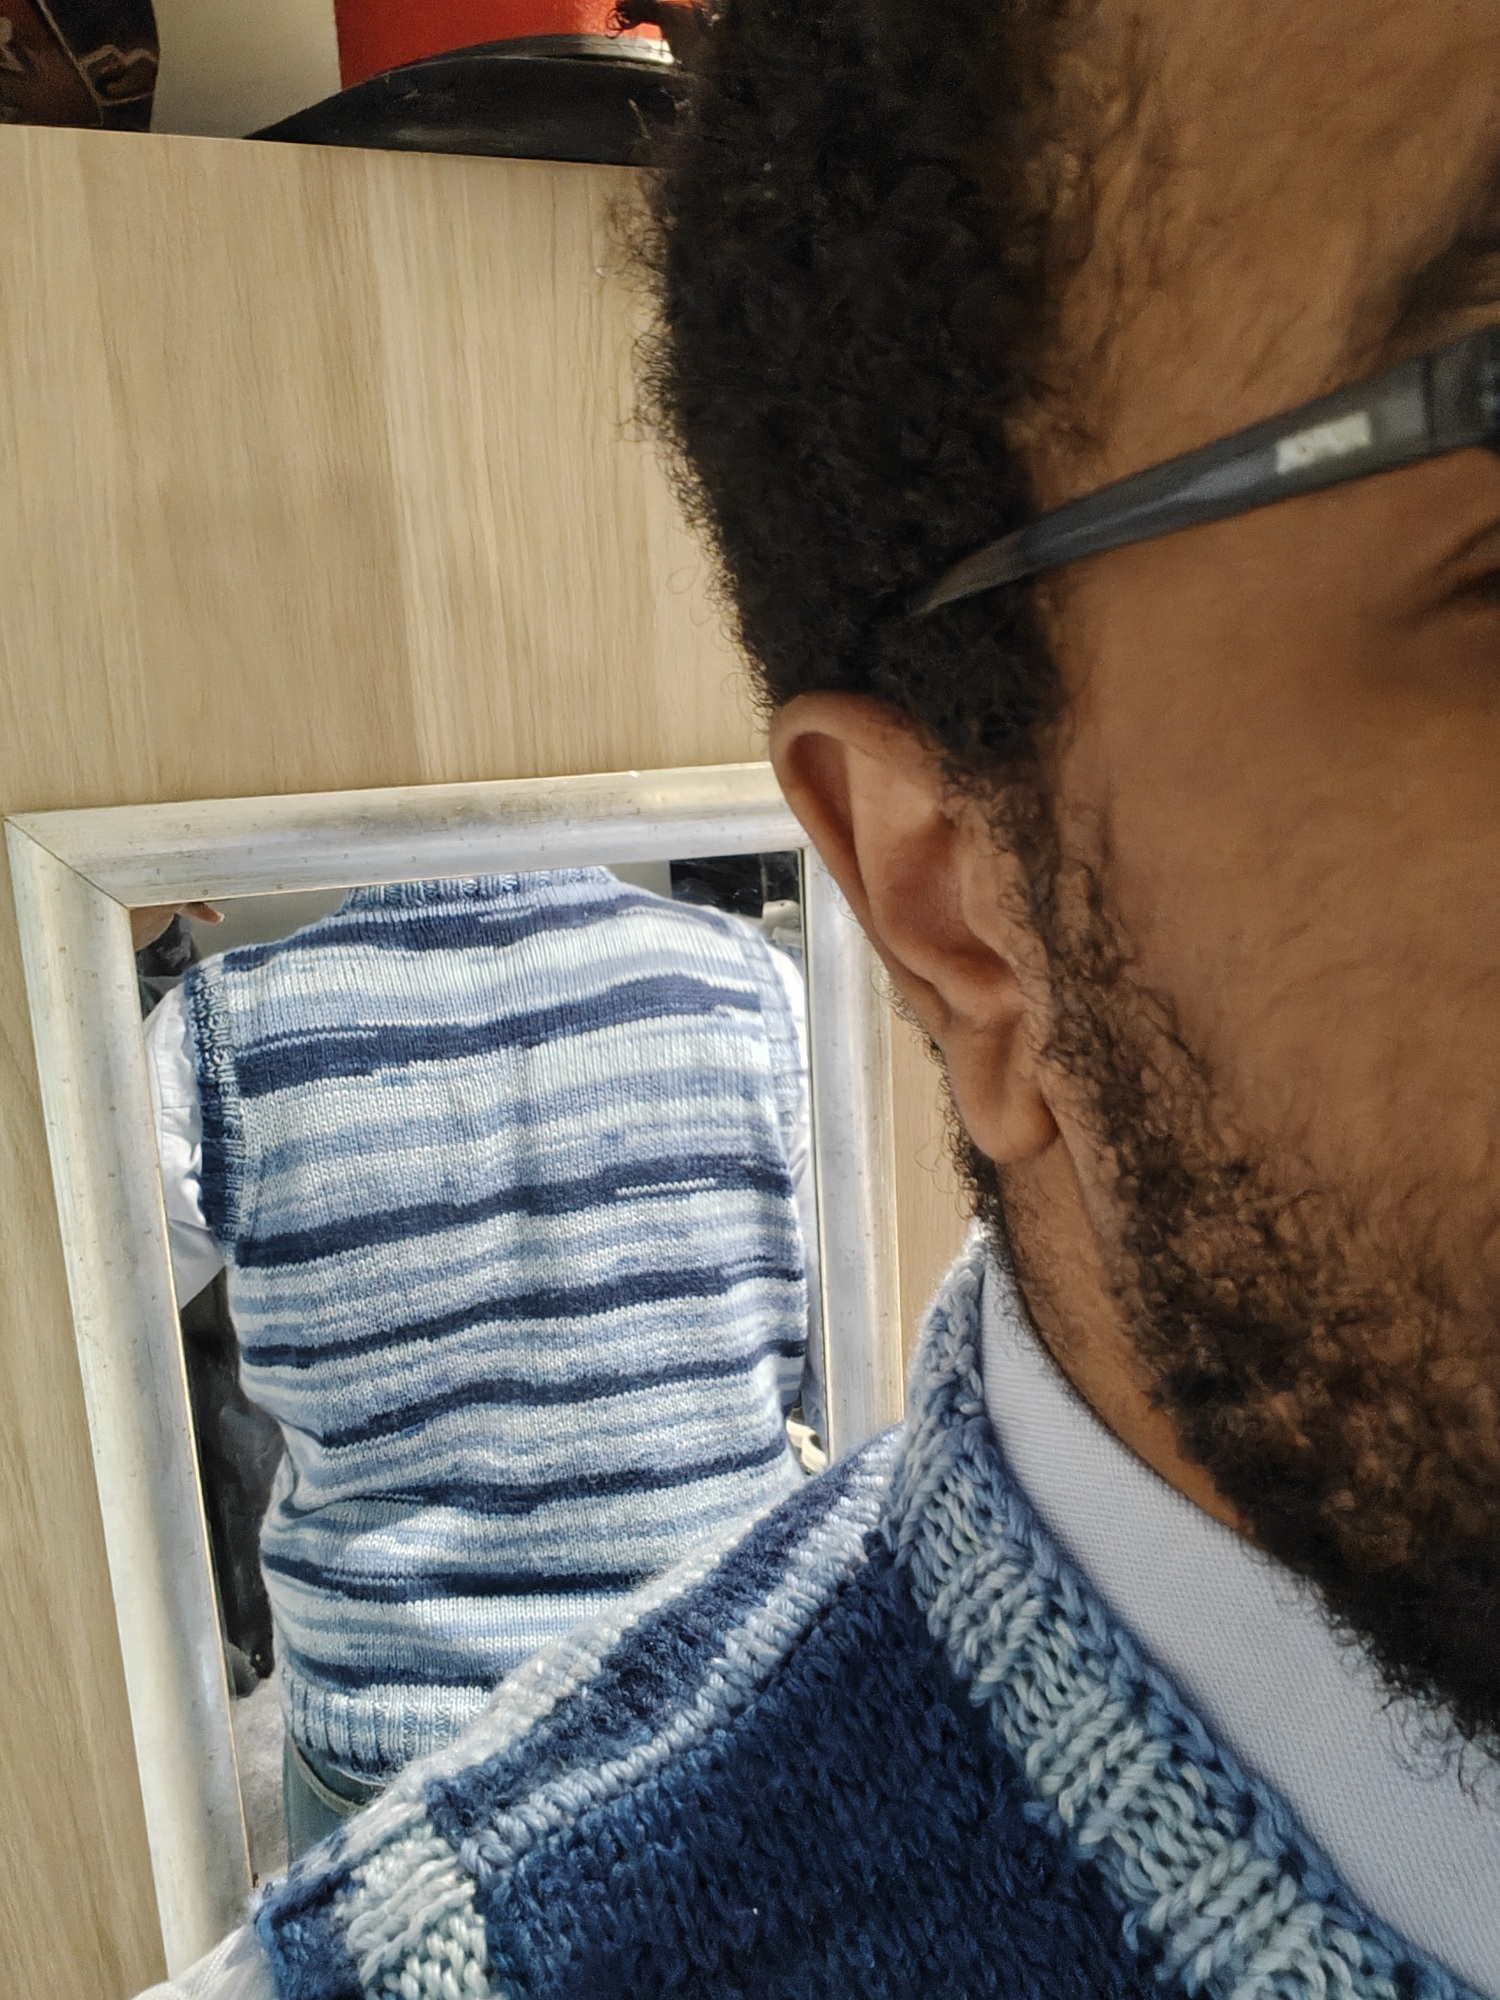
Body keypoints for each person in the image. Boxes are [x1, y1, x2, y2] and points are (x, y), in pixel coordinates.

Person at [143, 0, 1500, 1993]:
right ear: (959, 909)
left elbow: (126, 1295)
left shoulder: (231, 1043)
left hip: (373, 1705)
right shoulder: (732, 995)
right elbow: (787, 1340)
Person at [141, 867, 816, 1857]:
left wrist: (91, 932)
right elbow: (847, 1358)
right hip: (717, 1691)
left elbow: (56, 1329)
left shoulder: (218, 1036)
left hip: (395, 1736)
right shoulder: (755, 991)